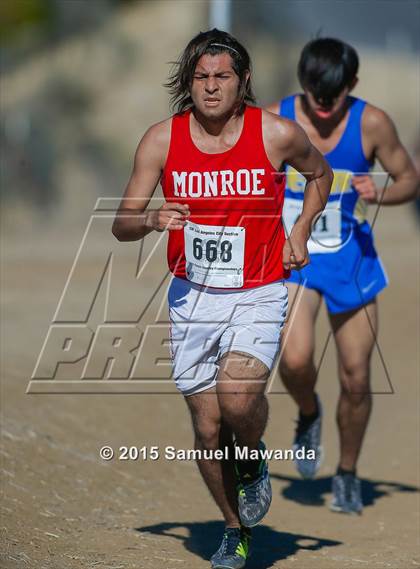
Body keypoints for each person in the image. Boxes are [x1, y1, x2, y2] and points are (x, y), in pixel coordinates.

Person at [113, 29, 332, 569]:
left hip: (257, 291)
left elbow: (320, 174)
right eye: (202, 77)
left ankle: (253, 457)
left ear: (244, 81)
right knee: (208, 427)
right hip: (193, 297)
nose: (211, 88)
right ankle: (234, 529)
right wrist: (151, 219)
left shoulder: (276, 134)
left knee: (237, 401)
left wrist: (300, 230)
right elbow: (121, 222)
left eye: (222, 77)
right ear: (189, 82)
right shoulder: (161, 141)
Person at [266, 37, 419, 515]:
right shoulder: (277, 119)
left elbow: (410, 179)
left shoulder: (372, 123)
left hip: (350, 258)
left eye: (334, 99)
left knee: (355, 378)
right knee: (294, 360)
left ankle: (348, 473)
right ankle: (308, 413)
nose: (324, 109)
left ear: (352, 85)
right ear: (303, 84)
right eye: (315, 98)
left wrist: (382, 192)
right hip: (295, 258)